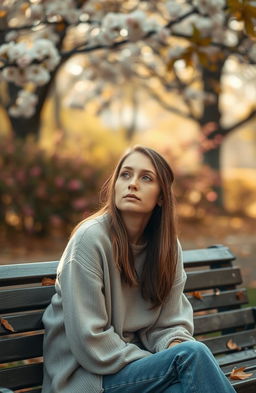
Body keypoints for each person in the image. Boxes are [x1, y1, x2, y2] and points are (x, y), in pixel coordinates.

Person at [42, 145, 236, 393]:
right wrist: (163, 364)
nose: (132, 184)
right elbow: (91, 341)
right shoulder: (89, 239)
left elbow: (169, 324)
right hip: (86, 379)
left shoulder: (166, 248)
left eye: (146, 178)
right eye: (125, 174)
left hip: (133, 371)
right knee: (192, 355)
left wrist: (173, 345)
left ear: (162, 196)